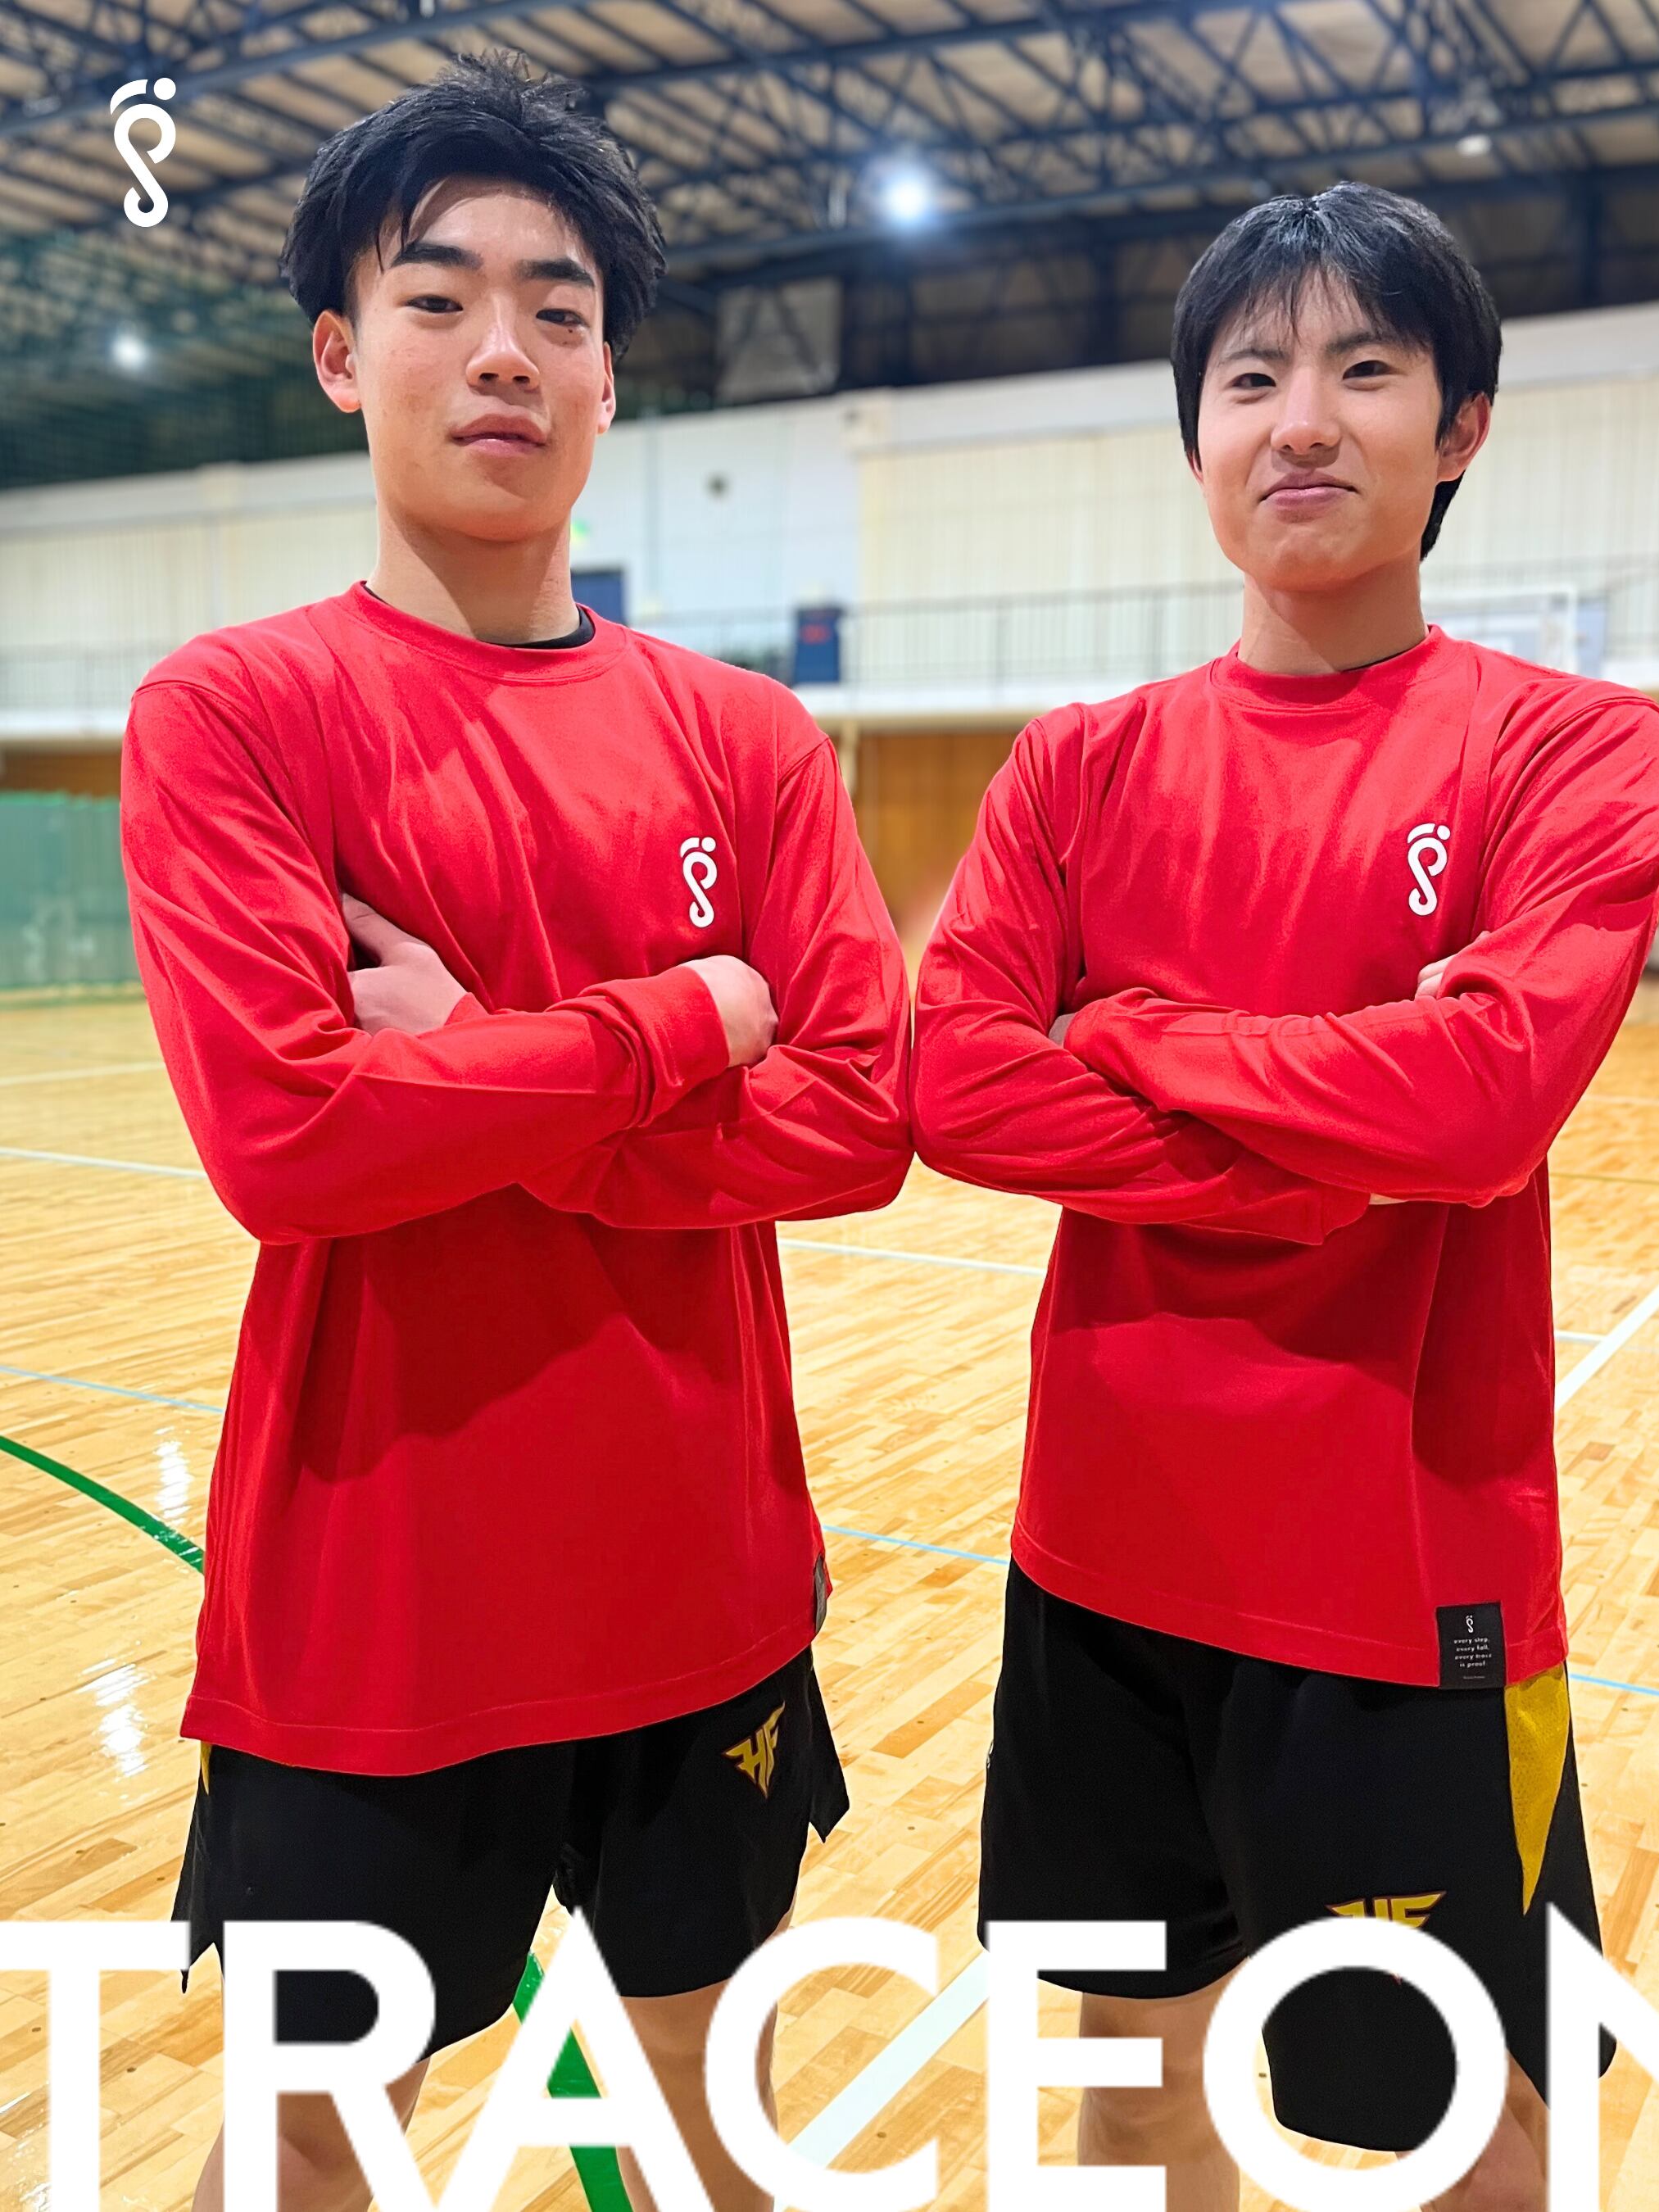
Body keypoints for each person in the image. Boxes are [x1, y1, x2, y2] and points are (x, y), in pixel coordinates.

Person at [120, 52, 909, 2212]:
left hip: (705, 1589)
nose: (505, 350)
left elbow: (860, 1115)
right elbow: (288, 1137)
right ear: (337, 353)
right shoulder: (238, 711)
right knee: (307, 2151)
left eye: (559, 310)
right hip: (375, 1610)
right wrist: (680, 1020)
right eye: (440, 296)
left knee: (714, 2132)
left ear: (609, 378)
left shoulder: (745, 736)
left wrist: (477, 1057)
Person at [912, 181, 1659, 2210]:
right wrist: (1338, 1138)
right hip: (1099, 1566)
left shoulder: (1572, 748)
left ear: (1463, 425)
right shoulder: (1077, 766)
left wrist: (1137, 1034)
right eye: (1251, 378)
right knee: (1133, 2106)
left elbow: (1483, 1102)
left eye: (1366, 368)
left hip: (1405, 1591)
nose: (1303, 419)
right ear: (1196, 436)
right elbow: (949, 1078)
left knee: (1468, 2142)